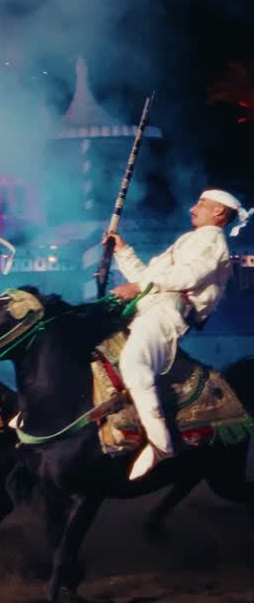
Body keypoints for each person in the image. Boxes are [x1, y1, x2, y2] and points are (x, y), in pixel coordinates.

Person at [104, 189, 244, 480]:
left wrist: (139, 286)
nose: (193, 208)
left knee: (134, 364)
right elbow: (148, 278)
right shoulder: (191, 239)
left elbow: (186, 277)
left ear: (219, 212)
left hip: (168, 312)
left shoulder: (212, 240)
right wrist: (123, 251)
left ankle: (160, 444)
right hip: (149, 307)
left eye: (201, 204)